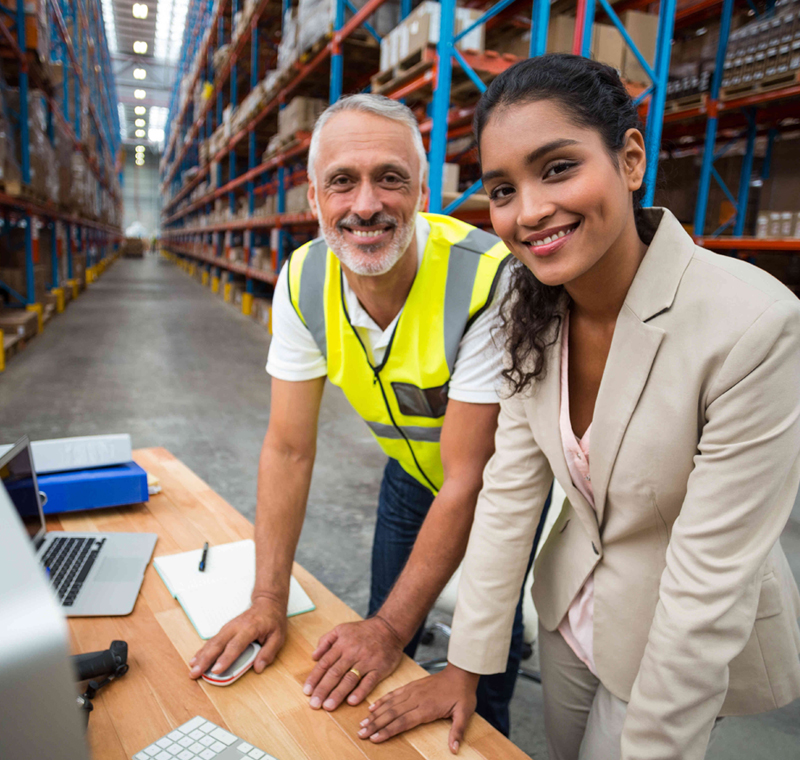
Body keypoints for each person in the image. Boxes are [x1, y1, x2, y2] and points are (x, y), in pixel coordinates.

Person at [356, 55, 800, 759]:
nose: (529, 211)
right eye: (503, 189)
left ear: (629, 159)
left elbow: (707, 585)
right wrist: (466, 663)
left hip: (673, 633)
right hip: (568, 611)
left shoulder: (753, 324)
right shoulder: (523, 307)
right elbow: (508, 494)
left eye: (557, 168)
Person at [188, 94, 536, 736]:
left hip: (499, 492)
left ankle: (489, 736)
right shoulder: (302, 281)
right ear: (315, 200)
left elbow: (469, 480)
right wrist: (268, 600)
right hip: (409, 475)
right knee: (382, 648)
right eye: (342, 182)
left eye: (391, 178)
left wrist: (387, 629)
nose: (367, 204)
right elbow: (288, 449)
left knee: (481, 668)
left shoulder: (491, 280)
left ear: (423, 191)